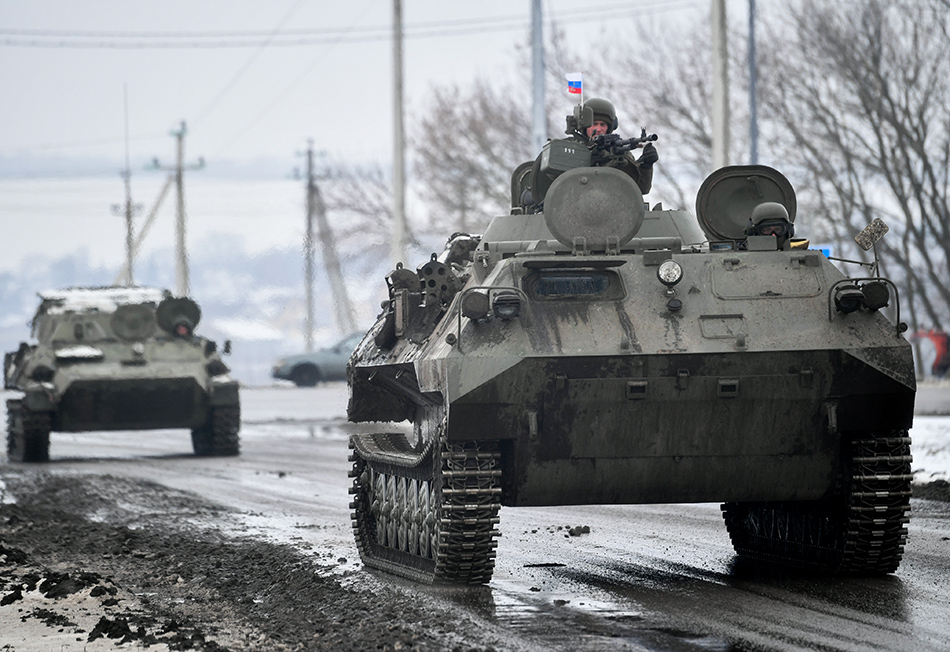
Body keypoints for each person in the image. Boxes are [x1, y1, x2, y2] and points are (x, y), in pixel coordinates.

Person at [575, 97, 657, 195]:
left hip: (615, 205)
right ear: (584, 125)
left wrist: (646, 166)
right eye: (594, 124)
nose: (599, 129)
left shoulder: (618, 150)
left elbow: (641, 189)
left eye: (603, 124)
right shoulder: (571, 148)